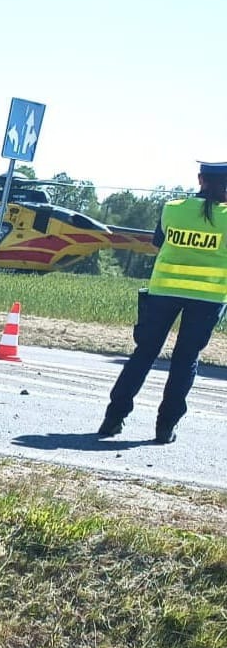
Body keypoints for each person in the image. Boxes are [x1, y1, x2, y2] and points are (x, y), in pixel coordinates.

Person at [98, 161, 227, 444]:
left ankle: (112, 418)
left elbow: (158, 243)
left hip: (163, 292)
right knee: (185, 361)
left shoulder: (173, 208)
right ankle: (165, 428)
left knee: (143, 354)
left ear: (200, 179)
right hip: (207, 299)